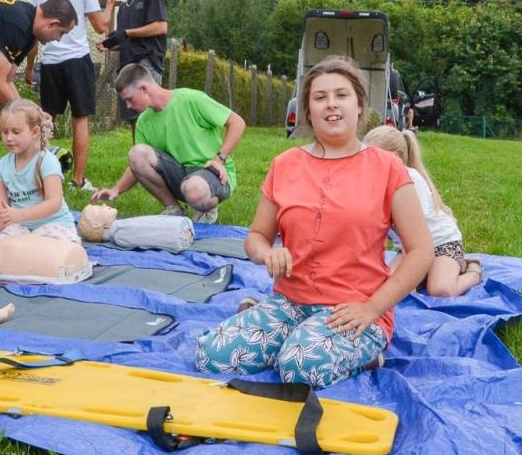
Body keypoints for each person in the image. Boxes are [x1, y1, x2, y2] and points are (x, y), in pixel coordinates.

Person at [194, 57, 432, 388]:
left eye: (341, 95)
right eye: (319, 97)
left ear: (360, 105)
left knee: (299, 368)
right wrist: (267, 254)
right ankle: (293, 334)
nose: (331, 104)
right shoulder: (285, 164)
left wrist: (372, 308)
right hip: (289, 302)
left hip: (354, 308)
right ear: (307, 110)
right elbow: (257, 237)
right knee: (212, 355)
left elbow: (421, 251)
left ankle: (367, 351)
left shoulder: (387, 168)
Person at [91, 63, 244, 224]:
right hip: (180, 175)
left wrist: (219, 159)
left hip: (212, 172)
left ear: (144, 88)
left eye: (129, 99)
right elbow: (136, 164)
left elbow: (237, 122)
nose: (128, 106)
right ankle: (174, 209)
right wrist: (116, 189)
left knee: (194, 189)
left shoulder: (190, 99)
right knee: (137, 153)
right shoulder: (144, 121)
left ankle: (206, 207)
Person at [363, 126, 484, 297]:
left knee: (441, 290)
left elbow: (412, 234)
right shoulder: (373, 185)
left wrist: (409, 283)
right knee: (384, 286)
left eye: (373, 158)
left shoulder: (410, 181)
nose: (366, 165)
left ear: (395, 157)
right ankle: (429, 273)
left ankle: (472, 269)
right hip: (411, 250)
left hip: (441, 244)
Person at [28, 0, 110, 191]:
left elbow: (33, 33)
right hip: (77, 61)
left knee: (46, 120)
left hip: (50, 61)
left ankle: (41, 176)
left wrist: (30, 67)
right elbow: (101, 27)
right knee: (80, 119)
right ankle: (77, 180)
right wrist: (110, 5)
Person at [0, 99, 78, 244]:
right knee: (1, 249)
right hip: (21, 228)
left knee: (40, 253)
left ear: (34, 132)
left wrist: (20, 214)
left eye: (15, 132)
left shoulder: (47, 161)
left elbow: (55, 202)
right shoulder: (3, 165)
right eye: (4, 132)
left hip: (54, 225)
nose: (9, 138)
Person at [99, 0, 168, 123]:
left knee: (149, 115)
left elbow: (161, 27)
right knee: (133, 115)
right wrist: (109, 45)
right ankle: (138, 149)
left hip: (147, 63)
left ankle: (153, 150)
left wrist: (127, 33)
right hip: (127, 65)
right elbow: (125, 40)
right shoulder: (123, 7)